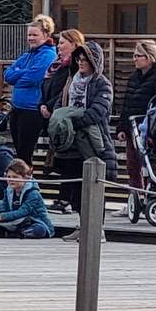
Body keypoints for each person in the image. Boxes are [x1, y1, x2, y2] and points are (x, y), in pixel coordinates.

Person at [50, 40, 117, 236]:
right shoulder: (70, 81)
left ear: (94, 61)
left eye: (85, 59)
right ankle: (82, 225)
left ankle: (97, 229)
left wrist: (73, 123)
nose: (81, 63)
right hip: (70, 144)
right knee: (75, 187)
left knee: (94, 186)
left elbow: (98, 111)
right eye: (78, 59)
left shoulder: (102, 84)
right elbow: (59, 105)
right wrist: (58, 120)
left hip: (93, 141)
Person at [118, 39, 156, 208]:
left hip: (150, 128)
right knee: (132, 165)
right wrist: (122, 127)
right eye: (134, 55)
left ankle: (152, 198)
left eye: (138, 55)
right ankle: (135, 200)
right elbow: (127, 103)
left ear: (149, 57)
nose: (134, 59)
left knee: (150, 165)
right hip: (133, 127)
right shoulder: (135, 77)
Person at [39, 28, 85, 213]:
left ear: (74, 45)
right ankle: (65, 198)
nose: (59, 47)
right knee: (63, 161)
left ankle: (67, 199)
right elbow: (51, 87)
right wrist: (43, 105)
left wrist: (52, 108)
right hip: (55, 116)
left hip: (69, 121)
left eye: (62, 43)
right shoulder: (57, 66)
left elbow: (64, 91)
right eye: (58, 43)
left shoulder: (73, 68)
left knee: (71, 162)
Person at [4, 15, 57, 165]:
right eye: (29, 34)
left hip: (32, 109)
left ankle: (25, 183)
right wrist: (22, 73)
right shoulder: (27, 55)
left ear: (46, 35)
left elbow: (34, 77)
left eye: (35, 35)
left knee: (25, 153)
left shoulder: (48, 55)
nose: (31, 38)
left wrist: (19, 75)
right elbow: (7, 75)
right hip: (17, 108)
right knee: (19, 150)